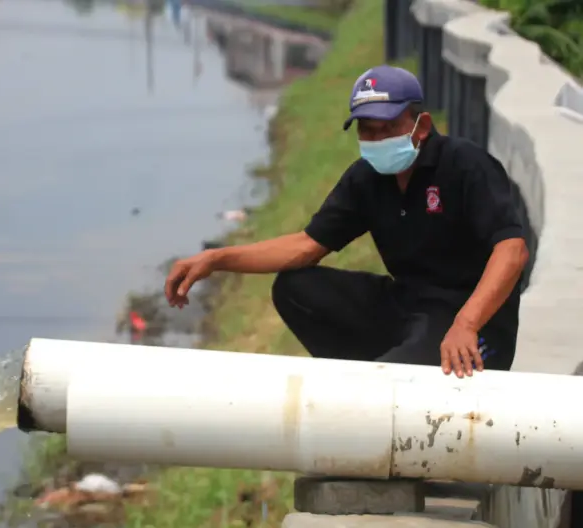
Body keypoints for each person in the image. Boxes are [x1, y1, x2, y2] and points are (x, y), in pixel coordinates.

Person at [164, 65, 529, 378]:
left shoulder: (465, 165)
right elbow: (306, 246)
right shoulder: (367, 178)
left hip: (470, 322)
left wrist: (466, 324)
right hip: (407, 307)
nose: (375, 139)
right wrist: (217, 260)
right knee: (295, 288)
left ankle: (394, 374)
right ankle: (371, 373)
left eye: (386, 128)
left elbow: (512, 251)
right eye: (366, 130)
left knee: (396, 389)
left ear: (421, 126)